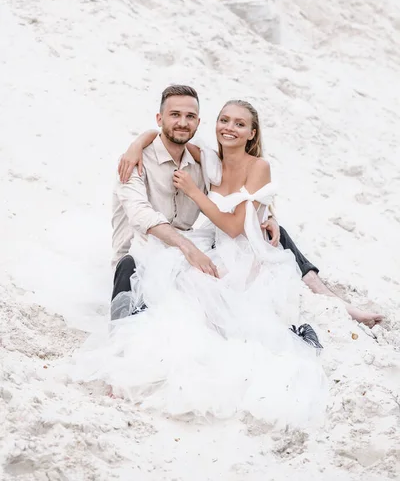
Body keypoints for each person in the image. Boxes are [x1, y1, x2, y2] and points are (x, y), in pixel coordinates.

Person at [74, 88, 328, 426]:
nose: (182, 122)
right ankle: (121, 362)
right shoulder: (134, 163)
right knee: (135, 279)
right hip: (142, 249)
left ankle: (316, 285)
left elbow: (239, 200)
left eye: (190, 116)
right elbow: (141, 217)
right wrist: (138, 143)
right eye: (174, 115)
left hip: (185, 249)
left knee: (232, 273)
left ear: (198, 122)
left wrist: (268, 216)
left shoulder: (202, 163)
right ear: (159, 118)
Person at [117, 88, 382, 328]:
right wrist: (136, 144)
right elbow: (168, 142)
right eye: (224, 120)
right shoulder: (209, 160)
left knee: (272, 239)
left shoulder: (233, 165)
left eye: (240, 124)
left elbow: (240, 218)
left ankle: (333, 299)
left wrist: (196, 193)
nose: (230, 128)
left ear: (252, 132)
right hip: (169, 245)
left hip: (228, 242)